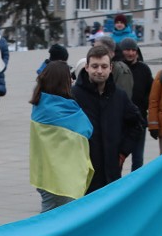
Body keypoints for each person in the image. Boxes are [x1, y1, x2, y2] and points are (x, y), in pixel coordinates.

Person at [72, 44, 143, 193]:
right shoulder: (74, 96)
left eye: (104, 66)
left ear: (111, 68)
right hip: (82, 173)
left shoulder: (119, 96)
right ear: (86, 67)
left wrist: (123, 152)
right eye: (95, 66)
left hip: (111, 173)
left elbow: (137, 123)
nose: (99, 71)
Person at [30, 61, 93, 211]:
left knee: (48, 215)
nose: (72, 80)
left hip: (44, 175)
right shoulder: (66, 109)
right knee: (61, 219)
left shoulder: (40, 104)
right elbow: (87, 129)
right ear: (61, 81)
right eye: (69, 77)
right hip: (62, 179)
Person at [118, 38, 152, 170]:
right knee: (118, 159)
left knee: (138, 160)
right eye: (127, 50)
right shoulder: (116, 69)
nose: (130, 53)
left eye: (133, 50)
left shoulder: (144, 69)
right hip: (120, 122)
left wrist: (144, 107)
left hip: (139, 121)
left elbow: (150, 91)